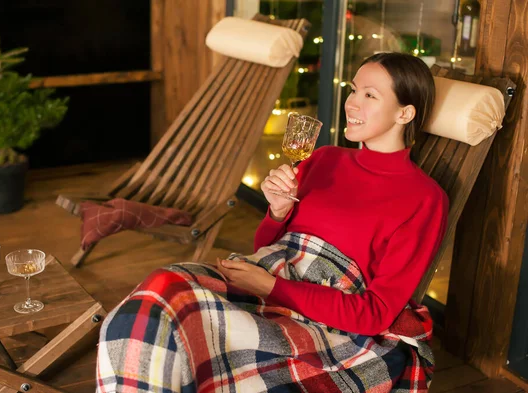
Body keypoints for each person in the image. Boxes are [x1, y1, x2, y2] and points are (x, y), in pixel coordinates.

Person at [96, 52, 448, 393]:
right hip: (262, 278)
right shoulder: (325, 158)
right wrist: (278, 211)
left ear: (405, 113)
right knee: (156, 298)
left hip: (321, 320)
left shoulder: (424, 198)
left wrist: (271, 287)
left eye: (369, 95)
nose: (352, 103)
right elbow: (264, 245)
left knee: (166, 311)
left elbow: (374, 314)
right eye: (354, 89)